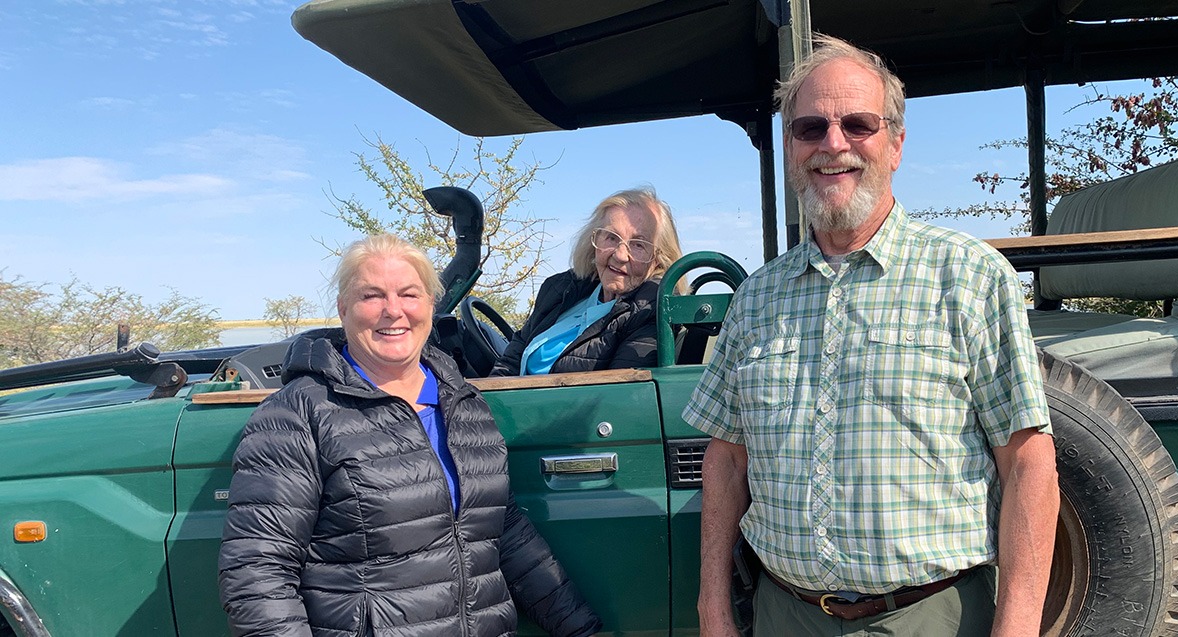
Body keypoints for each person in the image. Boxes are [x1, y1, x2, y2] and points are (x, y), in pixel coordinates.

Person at [684, 35, 1058, 637]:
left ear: (896, 144)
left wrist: (1016, 627)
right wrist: (712, 607)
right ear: (790, 148)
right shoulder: (756, 298)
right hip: (786, 615)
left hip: (930, 617)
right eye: (810, 128)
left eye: (857, 123)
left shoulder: (968, 275)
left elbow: (1029, 461)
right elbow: (727, 459)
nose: (833, 144)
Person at [217, 234, 602, 637]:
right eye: (371, 296)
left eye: (409, 294)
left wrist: (580, 630)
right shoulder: (298, 413)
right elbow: (257, 571)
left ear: (431, 306)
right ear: (343, 308)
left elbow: (502, 532)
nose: (393, 311)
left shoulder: (463, 402)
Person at [489, 187, 684, 376]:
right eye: (611, 238)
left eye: (638, 245)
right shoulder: (561, 289)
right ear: (595, 240)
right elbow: (510, 363)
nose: (620, 255)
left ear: (659, 258)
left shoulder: (652, 309)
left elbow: (620, 396)